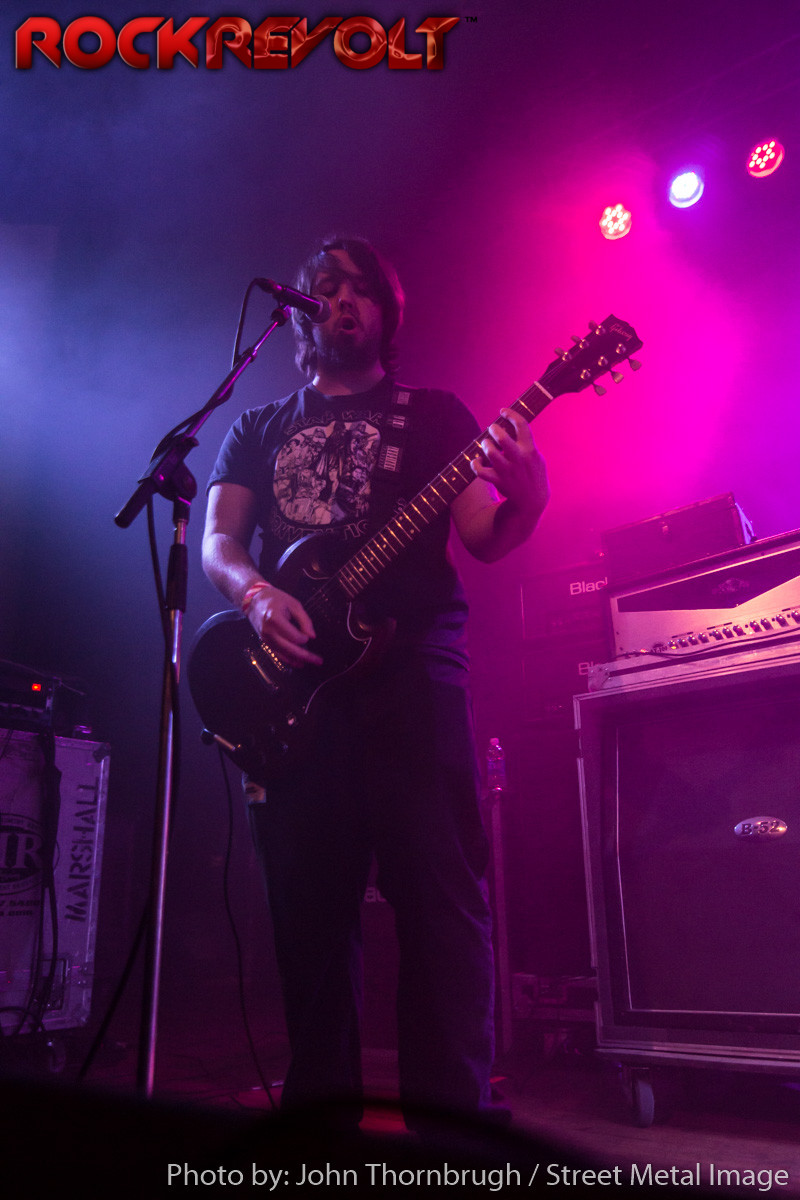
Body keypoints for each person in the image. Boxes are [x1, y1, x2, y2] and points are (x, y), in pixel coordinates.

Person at [201, 236, 549, 1129]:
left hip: (412, 685)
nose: (342, 300)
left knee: (440, 907)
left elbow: (483, 536)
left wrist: (529, 499)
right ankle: (320, 1128)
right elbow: (219, 541)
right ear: (301, 313)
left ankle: (449, 1133)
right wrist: (256, 596)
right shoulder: (258, 427)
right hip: (297, 694)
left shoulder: (432, 416)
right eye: (326, 288)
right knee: (309, 918)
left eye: (361, 289)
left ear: (388, 314)